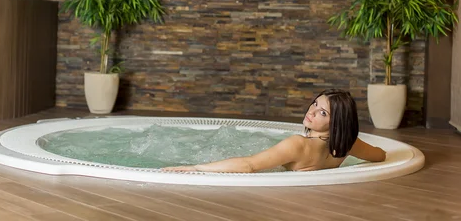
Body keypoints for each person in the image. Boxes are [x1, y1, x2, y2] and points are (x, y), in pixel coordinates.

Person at [163, 89, 386, 173]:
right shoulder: (346, 145)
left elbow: (249, 165)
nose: (312, 111)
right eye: (316, 104)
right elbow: (380, 155)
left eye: (323, 113)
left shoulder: (298, 144)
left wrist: (194, 167)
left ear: (336, 124)